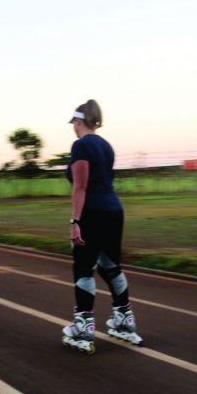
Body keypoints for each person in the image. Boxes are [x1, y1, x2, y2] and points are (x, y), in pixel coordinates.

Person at [61, 100, 142, 353]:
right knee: (110, 266)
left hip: (92, 212)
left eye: (73, 123)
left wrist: (75, 222)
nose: (73, 127)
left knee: (84, 268)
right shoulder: (106, 146)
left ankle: (83, 326)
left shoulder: (81, 145)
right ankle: (124, 320)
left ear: (78, 121)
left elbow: (80, 186)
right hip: (114, 211)